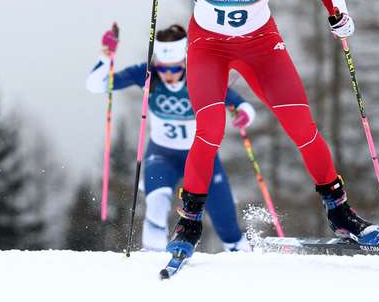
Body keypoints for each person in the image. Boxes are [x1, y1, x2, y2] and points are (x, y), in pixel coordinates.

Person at [123, 0, 379, 258]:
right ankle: (189, 221)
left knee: (303, 127)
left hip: (261, 45)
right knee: (210, 128)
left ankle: (340, 212)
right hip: (208, 47)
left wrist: (339, 15)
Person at [86, 23, 255, 252]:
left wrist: (243, 112)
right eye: (163, 68)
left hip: (201, 157)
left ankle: (240, 255)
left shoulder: (200, 74)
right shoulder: (148, 74)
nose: (168, 75)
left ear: (184, 62)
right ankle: (153, 257)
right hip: (162, 155)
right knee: (156, 206)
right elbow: (96, 85)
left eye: (174, 69)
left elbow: (238, 102)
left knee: (226, 224)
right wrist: (106, 56)